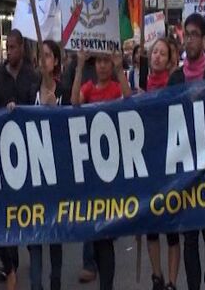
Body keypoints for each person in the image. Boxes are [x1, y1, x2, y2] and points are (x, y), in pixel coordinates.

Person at [168, 14, 205, 290]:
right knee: (189, 233)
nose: (189, 39)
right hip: (184, 167)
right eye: (186, 34)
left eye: (194, 34)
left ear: (204, 39)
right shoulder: (176, 78)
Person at [72, 49, 132, 290]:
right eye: (99, 62)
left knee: (106, 234)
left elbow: (129, 100)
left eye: (107, 61)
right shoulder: (88, 88)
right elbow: (74, 102)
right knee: (96, 230)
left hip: (112, 170)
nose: (103, 66)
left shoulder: (117, 88)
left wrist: (120, 69)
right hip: (92, 171)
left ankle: (106, 284)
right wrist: (78, 66)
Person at [0, 29, 39, 289]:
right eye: (6, 47)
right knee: (6, 211)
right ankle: (10, 266)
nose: (8, 51)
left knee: (29, 210)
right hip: (4, 153)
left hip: (30, 152)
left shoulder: (33, 75)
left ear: (22, 47)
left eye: (12, 47)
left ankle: (34, 260)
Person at [27, 40, 68, 290]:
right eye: (40, 56)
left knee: (55, 234)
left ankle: (55, 282)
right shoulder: (30, 91)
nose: (43, 61)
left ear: (55, 62)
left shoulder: (62, 91)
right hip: (32, 175)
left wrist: (56, 110)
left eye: (48, 56)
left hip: (56, 175)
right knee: (34, 235)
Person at [144, 38, 180, 290]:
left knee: (172, 227)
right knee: (152, 225)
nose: (157, 56)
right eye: (154, 52)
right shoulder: (141, 84)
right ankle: (156, 276)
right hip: (148, 163)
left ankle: (171, 282)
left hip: (172, 161)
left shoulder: (175, 84)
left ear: (169, 60)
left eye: (162, 53)